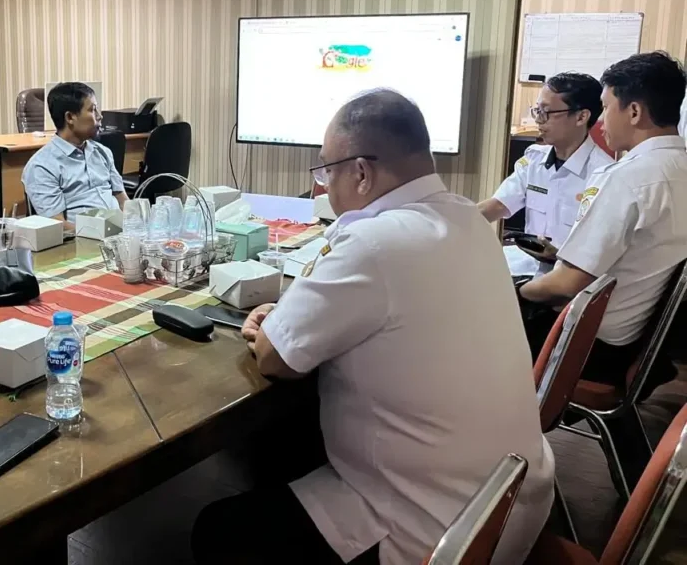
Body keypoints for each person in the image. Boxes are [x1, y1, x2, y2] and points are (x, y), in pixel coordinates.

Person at [192, 90, 553, 565]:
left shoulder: (372, 242)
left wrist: (269, 327)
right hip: (508, 498)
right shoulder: (467, 218)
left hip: (437, 534)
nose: (322, 185)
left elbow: (277, 358)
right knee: (293, 439)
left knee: (218, 530)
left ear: (360, 172)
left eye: (326, 169)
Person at [519, 51, 687, 385]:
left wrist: (516, 291)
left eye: (607, 107)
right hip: (635, 341)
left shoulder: (626, 178)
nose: (600, 121)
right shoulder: (679, 168)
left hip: (587, 345)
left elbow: (567, 283)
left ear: (635, 111)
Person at [478, 72, 609, 264]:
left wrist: (558, 257)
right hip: (529, 267)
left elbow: (602, 250)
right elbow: (497, 205)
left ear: (581, 117)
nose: (539, 120)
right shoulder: (534, 160)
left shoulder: (604, 173)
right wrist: (447, 220)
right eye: (537, 111)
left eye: (546, 112)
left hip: (571, 278)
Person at [22, 82, 128, 222]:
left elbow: (123, 201)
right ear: (70, 117)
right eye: (93, 110)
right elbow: (57, 226)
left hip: (119, 236)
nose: (100, 116)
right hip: (83, 240)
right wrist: (104, 231)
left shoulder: (102, 152)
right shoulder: (41, 166)